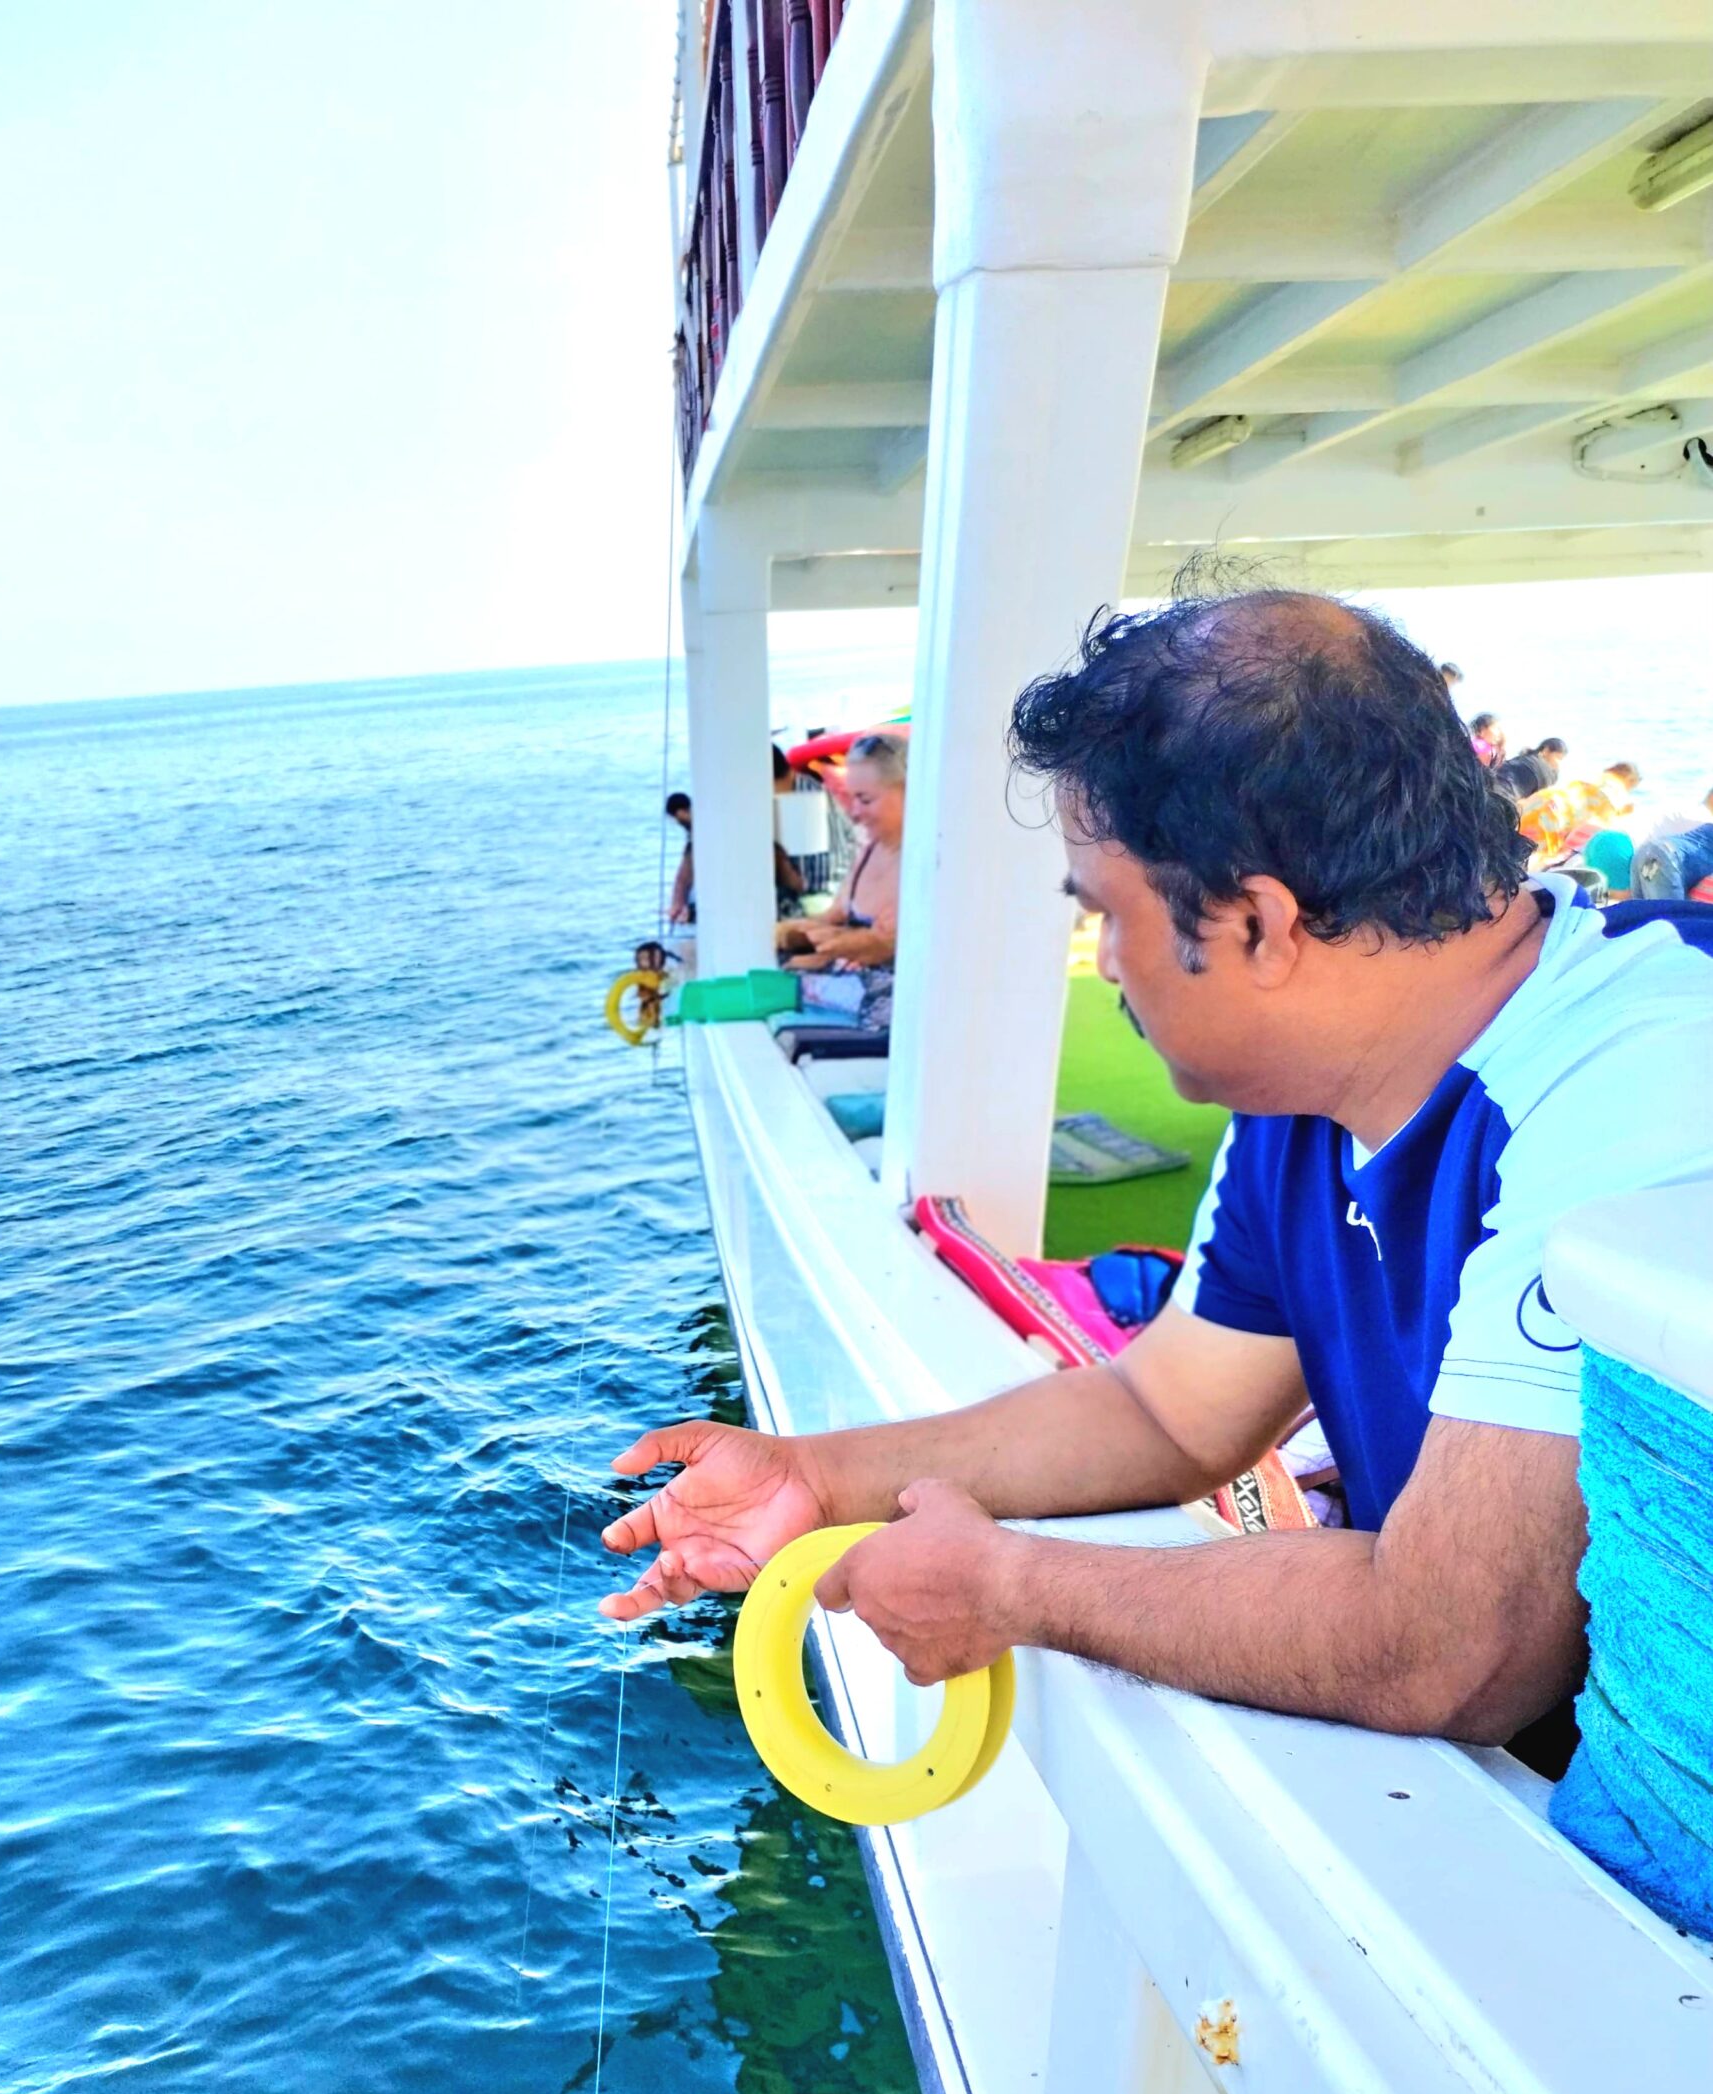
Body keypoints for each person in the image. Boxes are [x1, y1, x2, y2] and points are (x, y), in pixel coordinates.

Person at [600, 590, 1713, 1905]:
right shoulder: (1304, 1098)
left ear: (1255, 922)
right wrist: (810, 1476)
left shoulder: (1646, 1073)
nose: (1102, 963)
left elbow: (1450, 1648)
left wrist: (1008, 1586)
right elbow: (1168, 1408)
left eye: (1104, 913)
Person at [775, 730, 904, 1026]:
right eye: (852, 798)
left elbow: (887, 945)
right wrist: (786, 932)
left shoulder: (924, 863)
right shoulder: (871, 850)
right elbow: (836, 915)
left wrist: (834, 943)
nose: (854, 813)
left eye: (866, 800)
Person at [665, 788, 807, 926]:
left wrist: (678, 903)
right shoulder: (704, 836)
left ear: (683, 811)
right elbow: (683, 878)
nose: (681, 825)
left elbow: (683, 878)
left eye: (680, 820)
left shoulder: (703, 837)